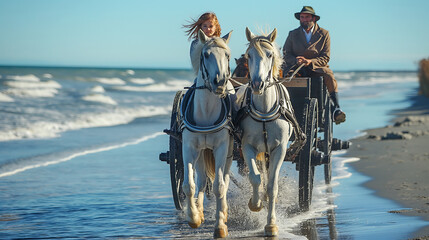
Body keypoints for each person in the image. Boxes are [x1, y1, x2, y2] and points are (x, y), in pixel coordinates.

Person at [282, 6, 346, 124]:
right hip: (296, 68)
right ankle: (283, 108)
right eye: (302, 17)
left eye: (307, 17)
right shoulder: (292, 34)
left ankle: (336, 108)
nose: (304, 19)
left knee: (329, 76)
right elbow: (286, 54)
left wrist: (310, 61)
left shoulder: (324, 34)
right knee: (285, 78)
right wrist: (296, 61)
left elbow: (325, 57)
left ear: (314, 19)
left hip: (316, 67)